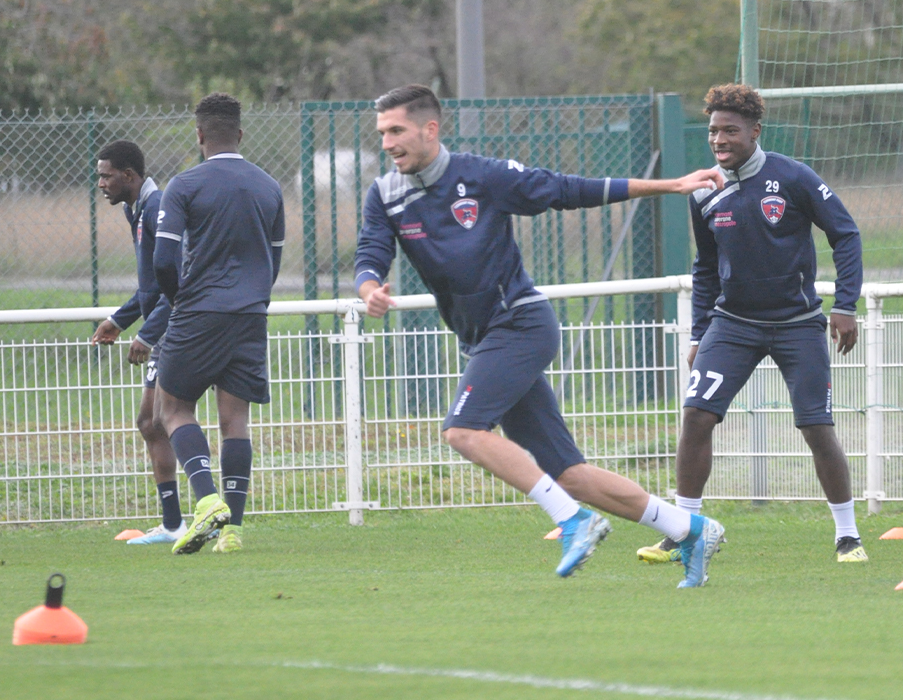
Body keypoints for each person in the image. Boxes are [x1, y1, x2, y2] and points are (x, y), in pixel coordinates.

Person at [354, 85, 728, 586]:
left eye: (396, 130)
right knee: (569, 473)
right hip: (487, 339)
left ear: (429, 129)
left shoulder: (481, 176)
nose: (387, 143)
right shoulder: (384, 194)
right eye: (382, 133)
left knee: (462, 431)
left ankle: (572, 520)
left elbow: (568, 189)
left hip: (521, 324)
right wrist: (369, 287)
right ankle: (690, 529)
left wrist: (670, 186)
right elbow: (370, 253)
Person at [636, 84, 866, 566]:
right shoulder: (703, 190)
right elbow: (705, 268)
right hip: (732, 324)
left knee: (816, 427)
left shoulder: (794, 177)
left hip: (799, 324)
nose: (719, 139)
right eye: (713, 131)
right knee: (697, 415)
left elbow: (845, 233)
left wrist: (845, 305)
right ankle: (684, 531)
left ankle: (848, 536)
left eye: (730, 130)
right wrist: (700, 333)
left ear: (755, 132)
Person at [153, 93, 286, 555]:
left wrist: (179, 300)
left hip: (199, 311)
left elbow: (163, 260)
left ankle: (208, 500)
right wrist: (252, 298)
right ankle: (233, 533)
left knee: (171, 409)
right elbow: (274, 259)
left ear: (199, 135)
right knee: (236, 421)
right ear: (241, 134)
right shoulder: (269, 187)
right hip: (250, 314)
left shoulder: (184, 184)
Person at [90, 140, 184, 545]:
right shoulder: (138, 208)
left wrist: (148, 332)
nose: (101, 183)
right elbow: (150, 286)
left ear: (129, 176)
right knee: (153, 422)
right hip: (163, 327)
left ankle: (188, 519)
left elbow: (173, 283)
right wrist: (119, 320)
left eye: (106, 175)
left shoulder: (158, 206)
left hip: (175, 328)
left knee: (161, 420)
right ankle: (175, 522)